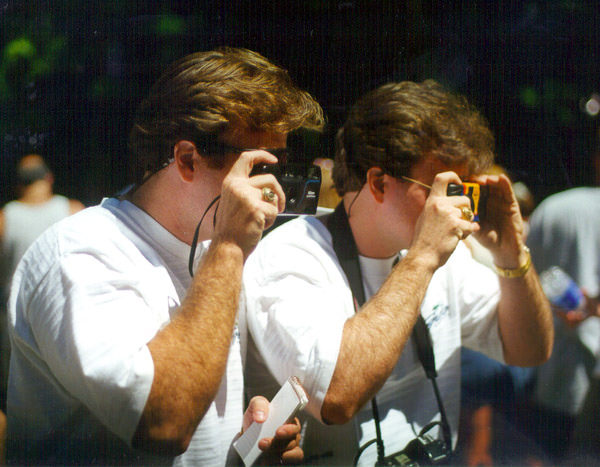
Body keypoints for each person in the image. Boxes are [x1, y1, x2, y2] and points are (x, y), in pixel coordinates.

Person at [6, 47, 324, 465]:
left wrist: (249, 443)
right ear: (187, 158)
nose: (275, 186)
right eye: (262, 164)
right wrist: (229, 248)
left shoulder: (214, 247)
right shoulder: (81, 252)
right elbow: (163, 425)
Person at [243, 80, 553, 465]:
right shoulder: (291, 254)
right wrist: (421, 259)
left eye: (466, 192)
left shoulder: (446, 257)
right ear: (378, 182)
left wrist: (511, 255)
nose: (458, 207)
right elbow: (336, 399)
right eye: (445, 189)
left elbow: (529, 349)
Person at [0, 153, 85, 462]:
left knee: (17, 405)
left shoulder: (5, 217)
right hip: (68, 319)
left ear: (18, 184)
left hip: (15, 326)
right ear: (48, 178)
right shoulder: (74, 210)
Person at [523, 185, 600, 462]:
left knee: (542, 451)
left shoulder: (554, 206)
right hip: (583, 375)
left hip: (550, 365)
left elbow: (525, 277)